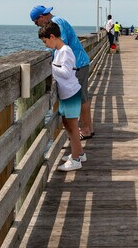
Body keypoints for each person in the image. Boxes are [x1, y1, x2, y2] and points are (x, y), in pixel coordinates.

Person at [30, 5, 94, 140]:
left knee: (81, 98)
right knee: (83, 97)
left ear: (41, 17)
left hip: (78, 65)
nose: (37, 25)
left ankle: (86, 130)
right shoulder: (59, 21)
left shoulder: (56, 23)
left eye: (36, 22)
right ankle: (88, 128)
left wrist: (49, 62)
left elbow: (60, 45)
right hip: (78, 64)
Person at [38, 22, 85, 171]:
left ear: (52, 36)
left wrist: (49, 67)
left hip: (71, 93)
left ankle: (76, 159)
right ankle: (80, 153)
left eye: (46, 41)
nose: (46, 45)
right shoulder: (58, 51)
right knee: (66, 123)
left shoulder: (65, 51)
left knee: (72, 127)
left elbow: (66, 73)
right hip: (66, 94)